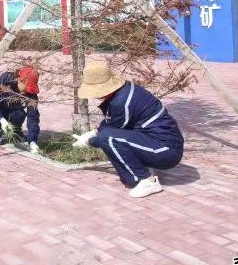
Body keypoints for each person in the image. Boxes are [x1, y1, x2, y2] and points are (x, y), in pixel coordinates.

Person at [73, 61, 184, 198]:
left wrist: (88, 142)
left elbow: (109, 135)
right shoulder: (125, 90)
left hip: (167, 151)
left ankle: (147, 181)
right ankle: (142, 169)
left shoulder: (121, 102)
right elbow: (113, 122)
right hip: (157, 143)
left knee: (108, 138)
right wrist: (94, 132)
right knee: (110, 136)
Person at [0, 66, 40, 154]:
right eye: (26, 88)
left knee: (20, 114)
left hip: (14, 110)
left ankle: (16, 130)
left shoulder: (31, 94)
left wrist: (32, 141)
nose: (27, 92)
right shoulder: (4, 81)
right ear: (20, 80)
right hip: (0, 109)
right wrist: (2, 121)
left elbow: (33, 118)